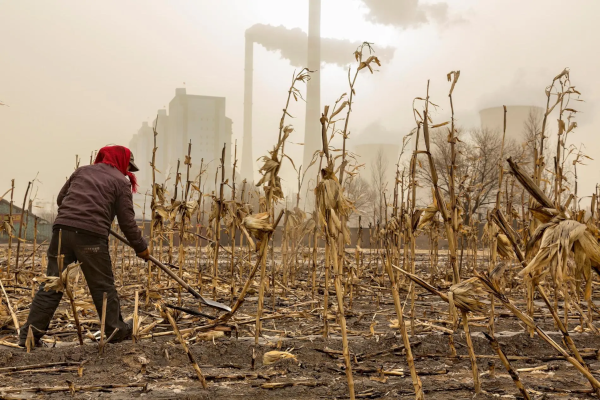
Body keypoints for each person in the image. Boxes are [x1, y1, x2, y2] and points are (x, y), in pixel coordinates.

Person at [19, 145, 150, 348]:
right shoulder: (120, 182)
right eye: (128, 166)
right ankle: (114, 329)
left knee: (53, 283)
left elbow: (62, 200)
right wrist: (141, 247)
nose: (128, 171)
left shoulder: (82, 171)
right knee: (102, 286)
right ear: (121, 161)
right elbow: (127, 222)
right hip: (91, 237)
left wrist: (80, 213)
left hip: (61, 232)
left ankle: (29, 336)